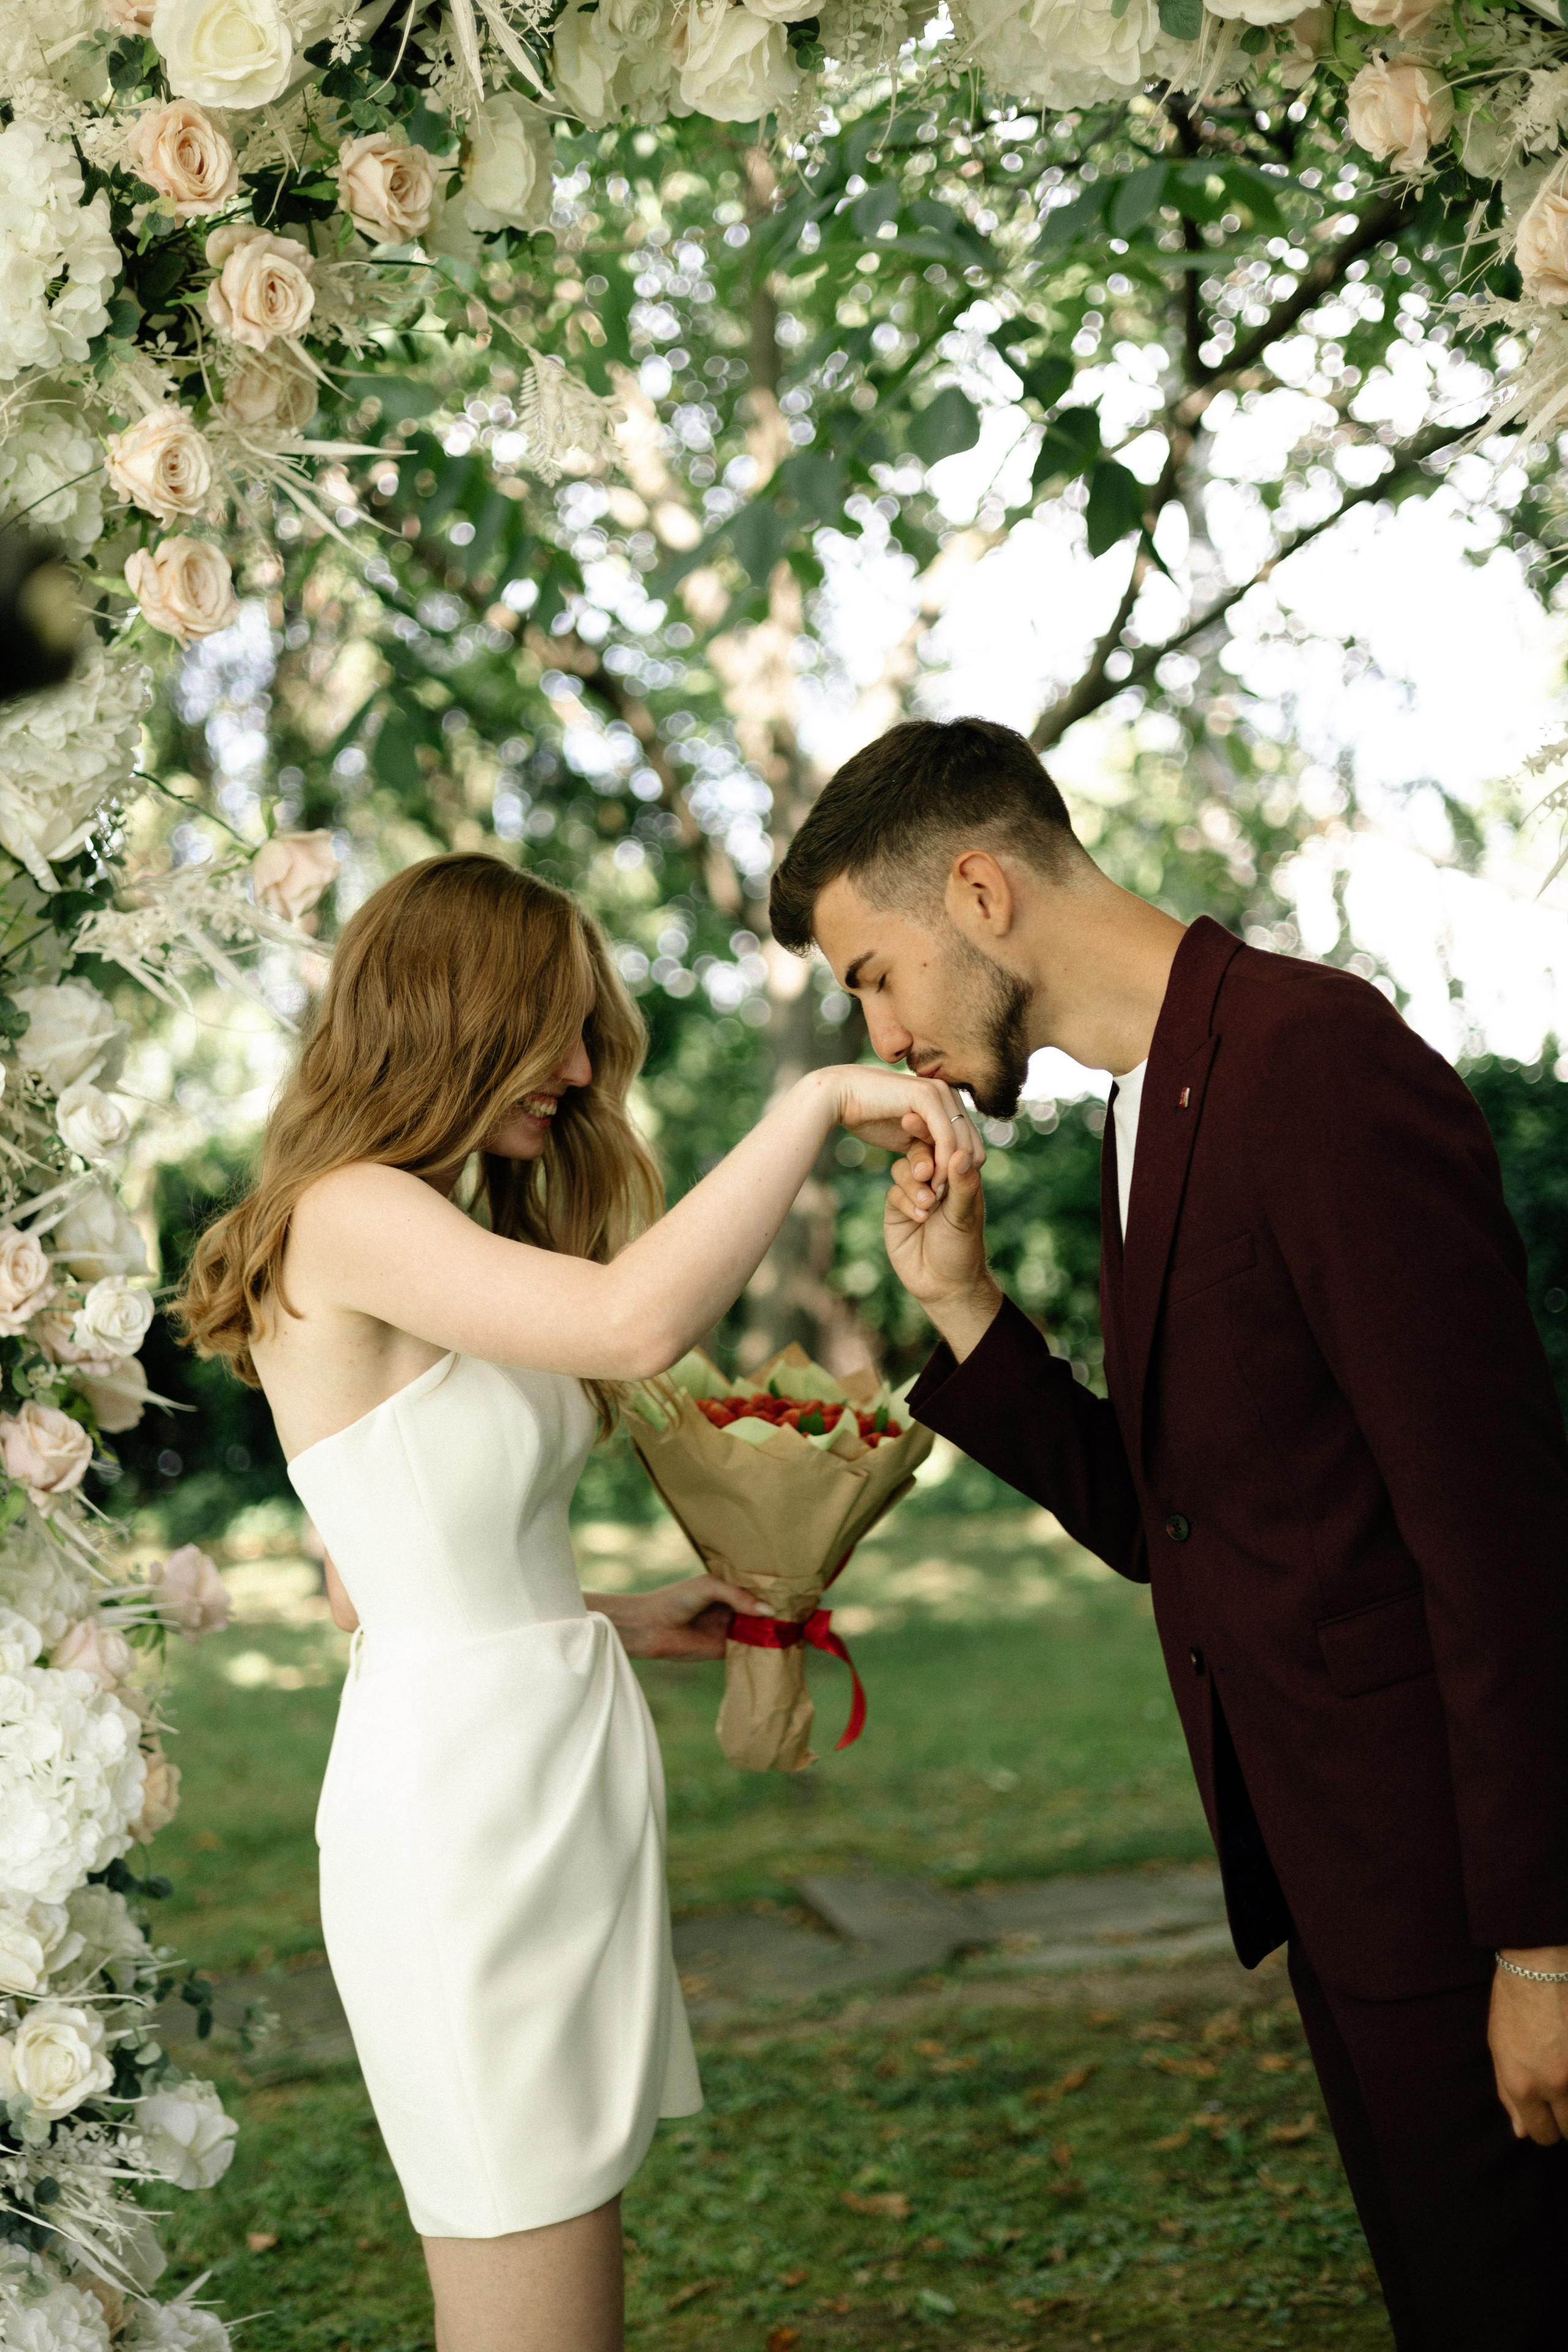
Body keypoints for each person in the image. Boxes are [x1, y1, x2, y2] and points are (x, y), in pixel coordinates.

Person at [767, 715, 1568, 2352]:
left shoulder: (1314, 1063)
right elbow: (1184, 1520)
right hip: (1349, 1892)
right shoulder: (1145, 1110)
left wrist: (1545, 1943)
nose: (882, 1028)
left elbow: (1503, 1535)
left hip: (1465, 1893)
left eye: (872, 974)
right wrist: (966, 1312)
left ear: (979, 890)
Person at [179, 851, 972, 2352]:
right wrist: (804, 1109)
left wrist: (619, 1614)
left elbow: (378, 1587)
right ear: (444, 1018)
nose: (581, 1067)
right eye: (552, 1026)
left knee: (564, 2264)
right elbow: (630, 1319)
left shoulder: (430, 1229)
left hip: (545, 1785)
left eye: (589, 1029)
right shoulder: (345, 1213)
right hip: (463, 1825)